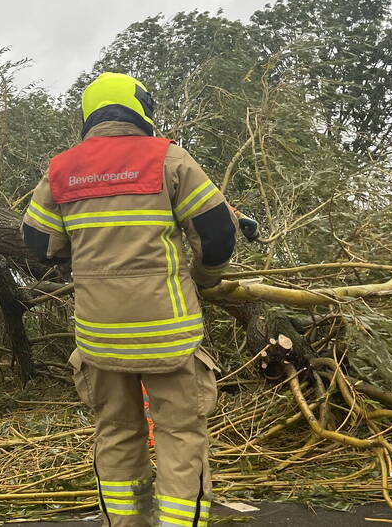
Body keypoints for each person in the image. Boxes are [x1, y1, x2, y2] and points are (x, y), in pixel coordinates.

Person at [21, 72, 237, 527]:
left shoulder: (61, 169)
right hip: (169, 334)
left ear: (89, 114)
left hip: (101, 337)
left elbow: (38, 245)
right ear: (143, 110)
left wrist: (82, 259)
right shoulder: (169, 158)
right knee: (180, 433)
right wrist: (204, 279)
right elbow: (217, 233)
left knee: (116, 432)